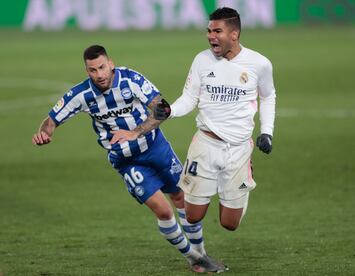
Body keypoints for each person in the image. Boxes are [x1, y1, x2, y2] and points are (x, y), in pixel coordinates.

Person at [32, 45, 227, 273]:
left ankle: (201, 252)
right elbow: (52, 119)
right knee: (163, 211)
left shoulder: (131, 80)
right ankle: (194, 258)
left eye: (102, 67)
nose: (99, 74)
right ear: (87, 72)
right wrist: (46, 133)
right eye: (93, 70)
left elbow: (161, 109)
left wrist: (136, 132)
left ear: (111, 63)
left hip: (156, 147)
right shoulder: (81, 95)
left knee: (181, 197)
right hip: (126, 161)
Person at [113, 5, 275, 239]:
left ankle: (243, 173)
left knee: (230, 224)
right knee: (192, 216)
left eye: (217, 31)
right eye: (209, 31)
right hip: (206, 145)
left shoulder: (259, 64)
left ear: (234, 34)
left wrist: (267, 131)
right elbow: (189, 98)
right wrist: (170, 111)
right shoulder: (202, 61)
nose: (211, 36)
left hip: (239, 148)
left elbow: (268, 96)